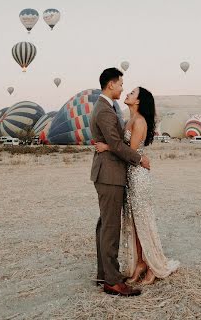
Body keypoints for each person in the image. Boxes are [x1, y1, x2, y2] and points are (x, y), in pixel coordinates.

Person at [95, 86, 180, 286]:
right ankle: (140, 263)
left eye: (132, 93)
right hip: (129, 176)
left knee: (143, 222)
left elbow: (129, 152)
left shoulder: (139, 121)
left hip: (138, 177)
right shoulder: (128, 120)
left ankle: (152, 267)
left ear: (139, 101)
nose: (127, 94)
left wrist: (108, 147)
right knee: (133, 223)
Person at [90, 68, 151, 297]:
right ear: (111, 84)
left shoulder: (107, 107)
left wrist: (107, 145)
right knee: (110, 227)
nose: (123, 88)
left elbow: (111, 142)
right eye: (121, 84)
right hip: (109, 175)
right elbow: (116, 144)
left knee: (105, 225)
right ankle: (113, 282)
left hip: (108, 173)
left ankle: (104, 274)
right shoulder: (105, 110)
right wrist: (139, 159)